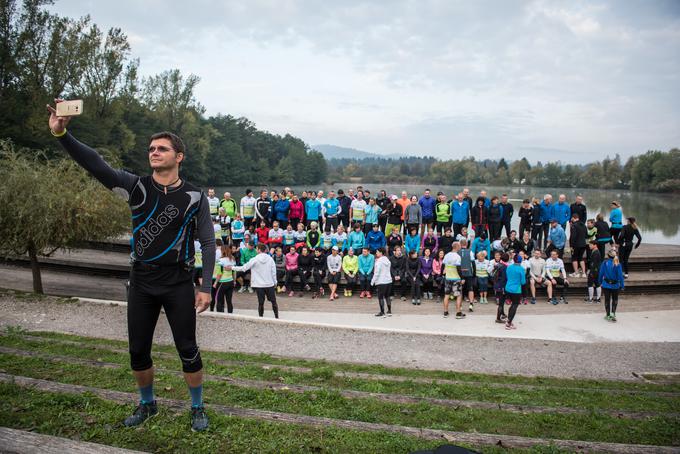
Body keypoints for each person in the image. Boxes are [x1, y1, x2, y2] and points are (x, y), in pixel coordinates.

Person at [48, 101, 213, 431]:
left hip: (178, 282)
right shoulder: (136, 187)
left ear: (178, 156)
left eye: (162, 148)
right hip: (141, 281)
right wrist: (62, 133)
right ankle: (147, 404)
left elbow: (207, 242)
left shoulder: (195, 196)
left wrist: (206, 285)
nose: (154, 152)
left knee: (188, 349)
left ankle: (197, 407)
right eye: (151, 148)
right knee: (138, 350)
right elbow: (96, 165)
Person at [233, 243, 280, 320]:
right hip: (269, 284)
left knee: (261, 303)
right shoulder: (270, 259)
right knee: (274, 302)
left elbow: (244, 268)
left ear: (258, 250)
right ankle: (277, 317)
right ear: (265, 250)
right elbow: (273, 272)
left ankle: (261, 318)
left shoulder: (254, 259)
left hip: (259, 285)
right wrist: (275, 282)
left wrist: (232, 267)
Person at [598, 249, 625, 322]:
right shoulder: (618, 264)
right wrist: (622, 285)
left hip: (606, 285)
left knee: (607, 299)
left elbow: (601, 273)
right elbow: (620, 276)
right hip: (615, 285)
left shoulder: (605, 263)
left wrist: (599, 281)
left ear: (608, 256)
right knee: (615, 299)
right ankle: (613, 314)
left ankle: (608, 315)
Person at [502, 254, 526, 329]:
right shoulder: (521, 269)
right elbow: (523, 282)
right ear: (520, 261)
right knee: (515, 305)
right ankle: (508, 323)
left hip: (508, 288)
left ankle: (509, 320)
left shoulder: (509, 267)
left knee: (512, 305)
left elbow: (507, 276)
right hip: (516, 290)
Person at [442, 242, 465, 319]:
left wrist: (445, 274)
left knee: (447, 295)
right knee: (458, 295)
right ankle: (458, 313)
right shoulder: (457, 256)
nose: (460, 247)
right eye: (460, 246)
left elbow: (443, 266)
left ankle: (445, 312)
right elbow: (458, 268)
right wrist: (462, 278)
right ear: (457, 247)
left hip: (448, 278)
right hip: (456, 278)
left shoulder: (447, 255)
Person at [214, 244, 236, 313]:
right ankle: (230, 314)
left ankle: (220, 315)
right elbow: (234, 272)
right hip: (231, 282)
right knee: (229, 301)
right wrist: (234, 281)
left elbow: (219, 273)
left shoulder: (220, 261)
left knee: (219, 300)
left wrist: (215, 283)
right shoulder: (232, 259)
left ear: (222, 251)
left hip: (222, 283)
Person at [371, 248, 393, 317]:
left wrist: (372, 281)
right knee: (387, 296)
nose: (376, 253)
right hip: (388, 281)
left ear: (381, 253)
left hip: (381, 281)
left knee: (380, 297)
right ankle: (389, 311)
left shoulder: (379, 261)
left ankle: (382, 311)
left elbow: (376, 273)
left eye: (377, 252)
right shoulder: (387, 260)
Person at [458, 239, 475, 311]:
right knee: (470, 289)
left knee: (460, 290)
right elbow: (473, 263)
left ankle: (460, 305)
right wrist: (474, 273)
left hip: (460, 273)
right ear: (466, 244)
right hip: (468, 273)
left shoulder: (457, 252)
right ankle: (471, 304)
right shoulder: (470, 252)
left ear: (460, 244)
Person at [569, 213, 587, 277]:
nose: (571, 219)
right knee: (581, 258)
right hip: (583, 244)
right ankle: (584, 273)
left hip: (576, 245)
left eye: (572, 218)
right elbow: (586, 235)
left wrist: (571, 245)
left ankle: (576, 273)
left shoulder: (574, 225)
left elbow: (573, 236)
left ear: (574, 218)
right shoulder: (584, 225)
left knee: (574, 258)